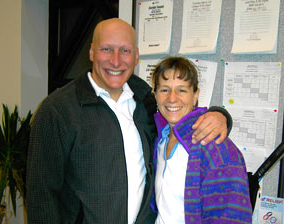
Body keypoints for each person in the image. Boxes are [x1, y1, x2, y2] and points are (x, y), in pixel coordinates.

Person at [26, 18, 231, 224]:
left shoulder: (145, 98)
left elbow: (179, 116)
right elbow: (41, 196)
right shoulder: (57, 110)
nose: (116, 61)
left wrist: (220, 116)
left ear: (136, 56)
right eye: (106, 49)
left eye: (125, 51)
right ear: (91, 52)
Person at [151, 57, 252, 224]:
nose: (172, 98)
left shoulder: (215, 147)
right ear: (155, 94)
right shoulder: (159, 140)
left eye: (182, 90)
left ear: (195, 94)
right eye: (164, 90)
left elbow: (232, 217)